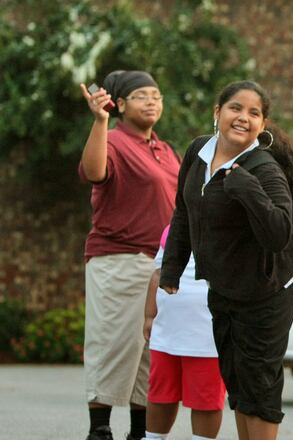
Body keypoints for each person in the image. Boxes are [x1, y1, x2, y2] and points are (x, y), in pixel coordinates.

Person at [159, 80, 293, 440]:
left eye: (254, 113)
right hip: (224, 288)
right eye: (236, 108)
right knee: (239, 385)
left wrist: (247, 189)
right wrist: (173, 267)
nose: (243, 117)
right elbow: (183, 210)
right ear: (217, 112)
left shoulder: (264, 169)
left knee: (261, 389)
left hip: (267, 293)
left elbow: (278, 233)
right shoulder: (198, 152)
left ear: (263, 125)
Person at [78, 70, 180, 440]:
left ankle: (140, 432)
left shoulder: (166, 150)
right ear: (120, 105)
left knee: (150, 352)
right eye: (141, 96)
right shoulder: (114, 141)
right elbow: (93, 171)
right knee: (113, 342)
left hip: (160, 266)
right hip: (119, 259)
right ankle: (100, 430)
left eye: (156, 94)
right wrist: (100, 122)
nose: (152, 101)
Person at [142, 225, 225, 440]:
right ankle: (152, 437)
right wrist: (150, 315)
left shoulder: (229, 224)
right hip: (166, 330)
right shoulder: (173, 228)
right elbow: (158, 273)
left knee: (206, 400)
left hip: (207, 335)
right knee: (159, 395)